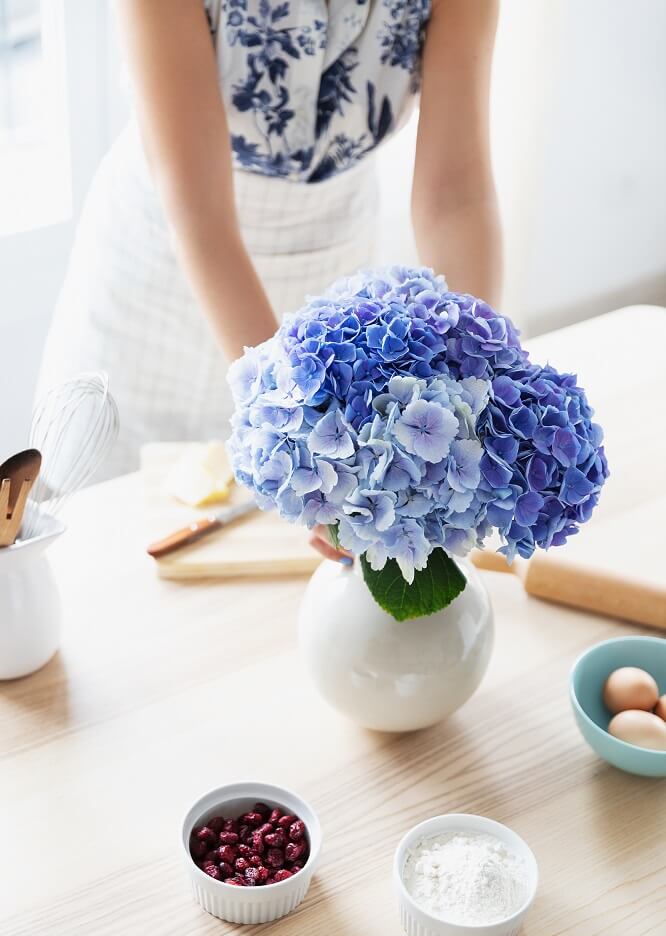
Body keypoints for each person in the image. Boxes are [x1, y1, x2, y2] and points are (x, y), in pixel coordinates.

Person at [37, 0, 501, 557]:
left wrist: (474, 385)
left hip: (328, 280)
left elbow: (456, 193)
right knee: (102, 545)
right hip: (158, 274)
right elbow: (202, 217)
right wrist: (300, 435)